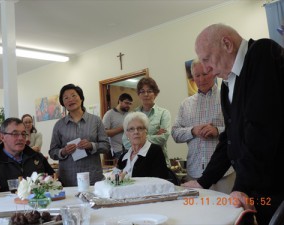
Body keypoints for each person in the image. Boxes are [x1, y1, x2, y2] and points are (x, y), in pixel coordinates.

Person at [182, 24, 284, 225]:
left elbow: (262, 128)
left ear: (227, 44)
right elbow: (229, 139)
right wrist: (204, 181)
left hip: (278, 184)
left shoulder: (262, 53)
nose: (206, 68)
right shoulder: (228, 83)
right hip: (259, 185)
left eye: (206, 59)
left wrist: (242, 185)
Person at [172, 59, 235, 194]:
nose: (201, 79)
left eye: (205, 74)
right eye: (197, 75)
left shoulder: (227, 96)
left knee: (227, 212)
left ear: (212, 72)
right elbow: (175, 133)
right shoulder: (185, 104)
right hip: (194, 172)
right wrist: (192, 131)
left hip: (223, 173)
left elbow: (238, 128)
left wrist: (218, 130)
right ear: (193, 78)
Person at [49, 84, 110, 186]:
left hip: (93, 177)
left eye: (74, 95)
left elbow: (106, 146)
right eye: (66, 98)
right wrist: (63, 151)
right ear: (63, 103)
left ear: (81, 98)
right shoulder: (59, 125)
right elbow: (52, 152)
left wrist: (91, 145)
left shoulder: (96, 121)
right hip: (68, 178)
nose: (70, 100)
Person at [0, 118, 54, 199]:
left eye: (23, 134)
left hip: (39, 206)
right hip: (8, 208)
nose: (21, 138)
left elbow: (55, 180)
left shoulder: (38, 158)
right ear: (2, 137)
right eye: (15, 134)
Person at [122, 77, 171, 166]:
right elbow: (125, 140)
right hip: (136, 163)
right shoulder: (132, 115)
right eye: (142, 91)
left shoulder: (164, 113)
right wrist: (154, 136)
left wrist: (136, 139)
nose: (146, 94)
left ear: (155, 94)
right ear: (139, 94)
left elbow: (163, 138)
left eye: (149, 91)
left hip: (158, 162)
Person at [117, 112, 168, 179]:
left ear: (146, 131)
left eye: (140, 128)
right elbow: (116, 179)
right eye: (131, 129)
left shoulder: (155, 152)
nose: (136, 132)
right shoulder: (123, 157)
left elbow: (159, 181)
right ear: (127, 134)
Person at [102, 93, 133, 164]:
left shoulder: (130, 114)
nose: (128, 106)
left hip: (131, 147)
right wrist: (122, 128)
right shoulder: (109, 114)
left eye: (130, 104)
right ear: (120, 101)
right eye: (126, 103)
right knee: (121, 171)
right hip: (118, 150)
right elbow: (104, 133)